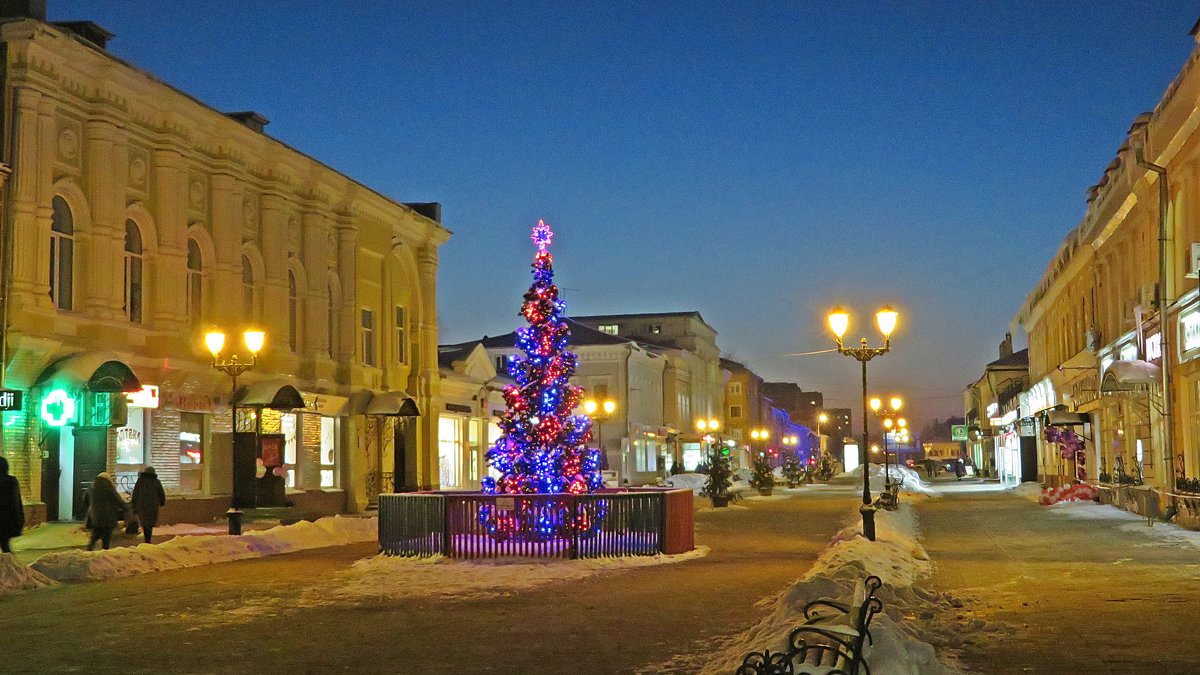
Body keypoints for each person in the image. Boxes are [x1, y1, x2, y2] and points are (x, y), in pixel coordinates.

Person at [83, 472, 127, 551]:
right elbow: (117, 500)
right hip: (108, 517)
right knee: (106, 538)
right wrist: (126, 507)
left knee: (95, 535)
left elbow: (85, 499)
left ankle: (88, 550)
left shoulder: (92, 487)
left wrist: (92, 507)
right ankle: (104, 553)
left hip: (95, 517)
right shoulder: (109, 487)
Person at [130, 466, 166, 544]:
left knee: (144, 522)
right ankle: (148, 539)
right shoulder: (156, 482)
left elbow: (135, 493)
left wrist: (133, 505)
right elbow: (161, 493)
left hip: (141, 505)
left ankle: (146, 538)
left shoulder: (140, 481)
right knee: (150, 523)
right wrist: (162, 502)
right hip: (153, 505)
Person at [0, 456, 24, 554]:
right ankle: (10, 566)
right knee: (5, 546)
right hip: (8, 521)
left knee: (5, 546)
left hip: (4, 520)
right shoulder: (12, 481)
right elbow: (16, 502)